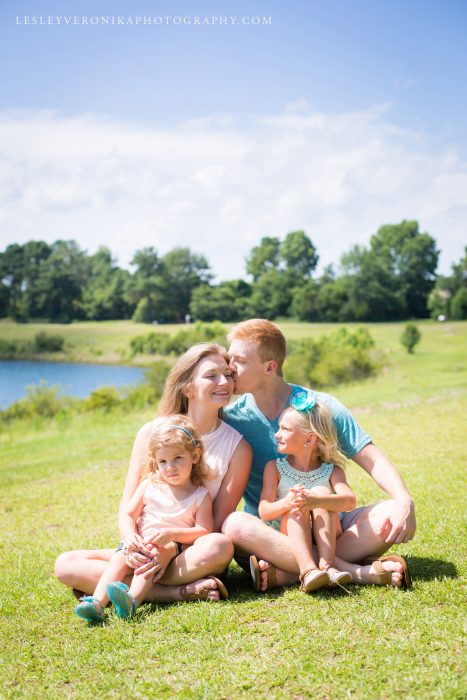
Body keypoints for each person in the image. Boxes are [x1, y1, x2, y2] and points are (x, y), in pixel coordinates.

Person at [222, 319, 414, 590]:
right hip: (272, 533)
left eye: (239, 361)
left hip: (330, 526)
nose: (229, 369)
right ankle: (350, 570)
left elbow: (372, 459)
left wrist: (405, 500)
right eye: (229, 358)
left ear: (269, 367)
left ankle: (289, 573)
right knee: (234, 526)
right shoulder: (232, 419)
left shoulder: (321, 407)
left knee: (392, 511)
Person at [56, 343, 252, 603]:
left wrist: (171, 544)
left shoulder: (238, 447)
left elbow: (214, 523)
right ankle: (179, 592)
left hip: (190, 553)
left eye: (227, 374)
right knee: (65, 564)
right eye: (211, 375)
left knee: (220, 546)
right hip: (145, 547)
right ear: (187, 388)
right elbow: (128, 507)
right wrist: (131, 544)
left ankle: (115, 584)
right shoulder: (151, 433)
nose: (224, 381)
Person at [74, 416, 227, 621]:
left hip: (169, 547)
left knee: (153, 556)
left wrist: (172, 534)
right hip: (138, 542)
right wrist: (129, 538)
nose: (170, 467)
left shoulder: (200, 496)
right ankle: (97, 603)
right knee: (120, 558)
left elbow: (204, 530)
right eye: (163, 461)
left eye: (177, 458)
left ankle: (131, 601)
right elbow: (129, 514)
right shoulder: (149, 485)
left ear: (195, 456)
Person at [252, 393, 355, 594]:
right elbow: (264, 511)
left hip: (327, 534)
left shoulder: (332, 471)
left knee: (319, 493)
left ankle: (327, 566)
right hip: (290, 533)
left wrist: (317, 500)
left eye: (285, 429)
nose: (277, 434)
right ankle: (308, 571)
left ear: (309, 439)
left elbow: (350, 502)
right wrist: (288, 502)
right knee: (296, 504)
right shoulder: (274, 468)